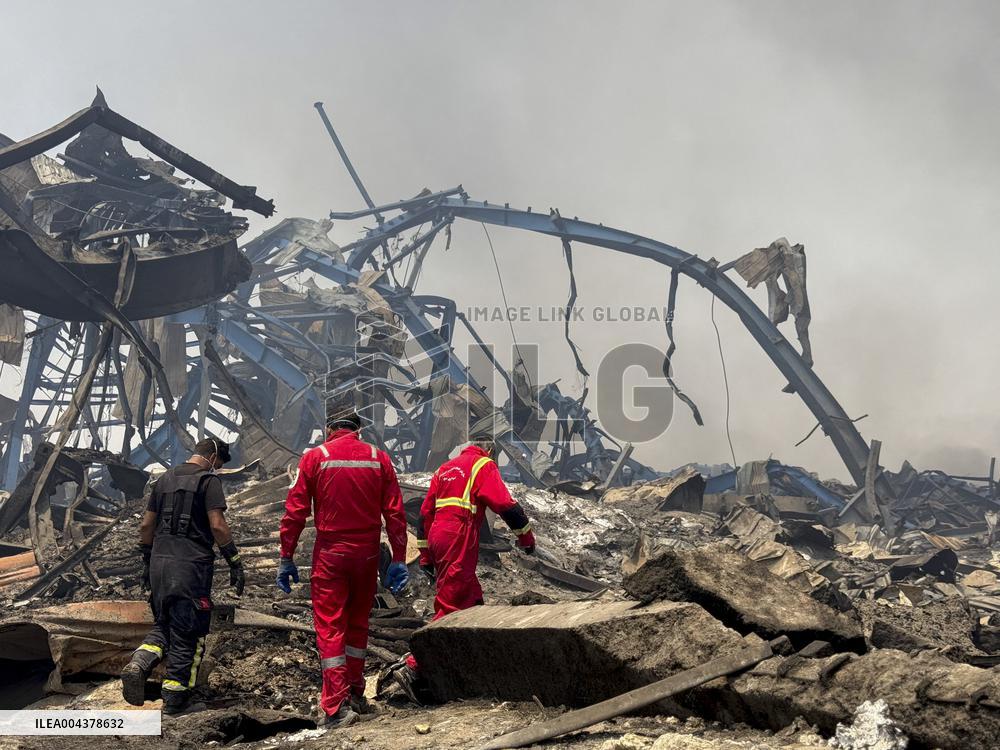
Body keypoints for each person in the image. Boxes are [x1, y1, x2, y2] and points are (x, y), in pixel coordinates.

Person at [276, 411, 409, 728]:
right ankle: (355, 693)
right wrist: (400, 558)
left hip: (332, 554)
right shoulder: (379, 458)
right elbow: (395, 514)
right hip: (366, 556)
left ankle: (336, 708)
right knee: (357, 625)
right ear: (358, 430)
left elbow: (295, 512)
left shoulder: (315, 457)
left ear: (329, 429)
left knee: (331, 626)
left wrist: (286, 556)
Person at [393, 431, 535, 697]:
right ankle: (414, 666)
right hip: (458, 534)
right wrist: (525, 536)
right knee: (450, 604)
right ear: (490, 450)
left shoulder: (445, 468)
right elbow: (505, 503)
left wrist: (425, 555)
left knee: (470, 596)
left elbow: (425, 514)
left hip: (438, 534)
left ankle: (474, 663)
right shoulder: (483, 464)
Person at [121, 438, 244, 714]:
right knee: (189, 633)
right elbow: (218, 526)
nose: (218, 469)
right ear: (212, 457)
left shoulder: (163, 479)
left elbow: (145, 526)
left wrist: (146, 560)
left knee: (164, 624)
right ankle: (176, 700)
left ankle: (138, 664)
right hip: (190, 568)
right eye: (219, 464)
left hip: (159, 567)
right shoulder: (208, 482)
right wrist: (234, 560)